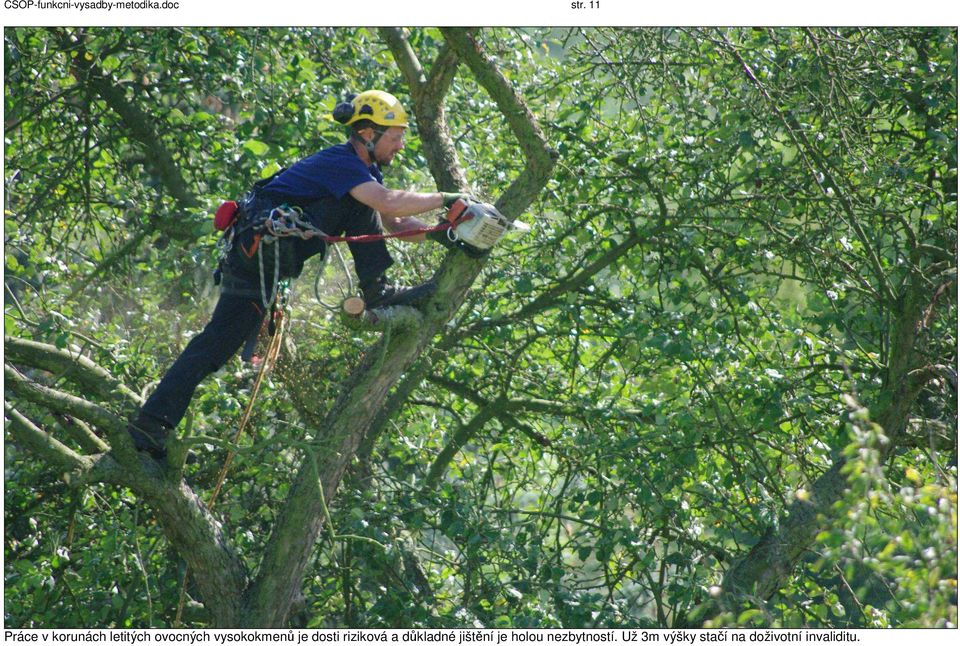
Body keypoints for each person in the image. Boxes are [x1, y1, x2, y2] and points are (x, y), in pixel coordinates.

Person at [128, 90, 467, 463]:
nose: (401, 145)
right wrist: (446, 197)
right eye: (396, 136)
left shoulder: (364, 173)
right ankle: (150, 425)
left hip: (265, 260)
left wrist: (444, 232)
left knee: (215, 348)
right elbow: (387, 203)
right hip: (257, 254)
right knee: (213, 347)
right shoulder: (342, 164)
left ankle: (152, 424)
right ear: (368, 133)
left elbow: (396, 221)